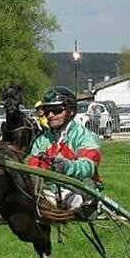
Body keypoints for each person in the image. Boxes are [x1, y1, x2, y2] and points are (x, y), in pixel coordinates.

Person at [27, 86, 102, 214]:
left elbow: (90, 167)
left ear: (71, 111)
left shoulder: (84, 136)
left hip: (79, 189)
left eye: (56, 110)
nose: (50, 115)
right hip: (49, 191)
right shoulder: (41, 140)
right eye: (46, 111)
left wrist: (66, 166)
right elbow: (32, 167)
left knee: (78, 196)